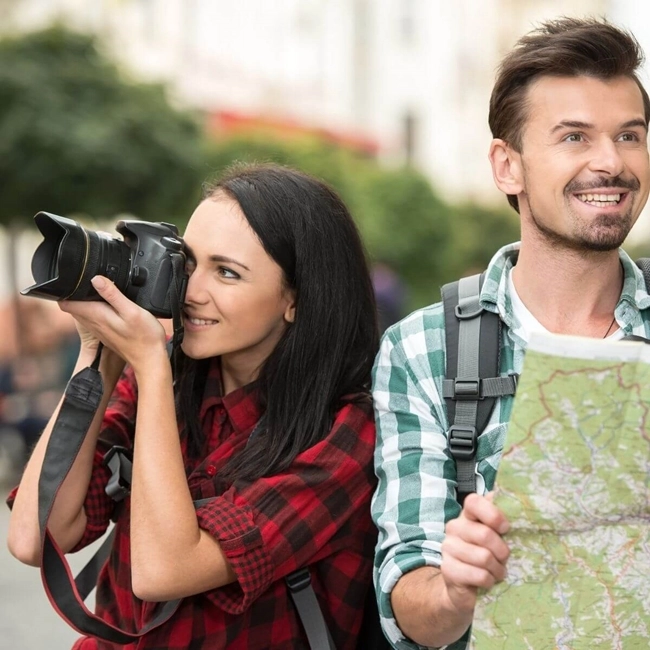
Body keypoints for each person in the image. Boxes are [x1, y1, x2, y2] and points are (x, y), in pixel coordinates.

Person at [7, 163, 380, 649]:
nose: (192, 293)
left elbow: (164, 571)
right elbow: (36, 536)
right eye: (189, 264)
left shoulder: (346, 432)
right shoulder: (166, 382)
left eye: (227, 272)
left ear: (296, 298)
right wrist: (98, 353)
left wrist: (151, 365)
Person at [371, 17, 650, 649]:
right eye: (574, 137)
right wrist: (453, 588)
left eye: (630, 136)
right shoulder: (420, 350)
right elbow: (408, 603)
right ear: (508, 166)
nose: (611, 162)